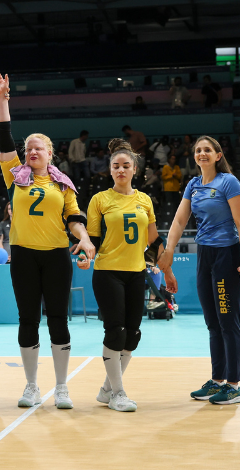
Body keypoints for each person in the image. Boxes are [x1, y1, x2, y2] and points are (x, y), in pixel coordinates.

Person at [0, 76, 96, 411]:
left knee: (57, 320)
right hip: (23, 256)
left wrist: (84, 239)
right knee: (27, 319)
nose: (31, 151)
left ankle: (62, 387)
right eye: (29, 148)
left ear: (50, 154)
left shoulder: (63, 185)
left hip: (55, 257)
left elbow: (74, 219)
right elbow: (4, 135)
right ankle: (31, 385)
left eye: (38, 147)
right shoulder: (14, 177)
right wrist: (2, 99)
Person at [160, 136, 240, 406]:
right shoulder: (193, 184)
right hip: (204, 254)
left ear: (217, 155)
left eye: (207, 150)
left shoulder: (229, 182)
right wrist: (169, 250)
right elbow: (179, 220)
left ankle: (234, 385)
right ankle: (218, 380)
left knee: (228, 321)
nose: (202, 154)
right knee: (212, 322)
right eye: (198, 150)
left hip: (227, 254)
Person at [79, 139, 162, 413]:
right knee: (115, 331)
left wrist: (166, 267)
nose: (121, 170)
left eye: (126, 165)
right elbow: (92, 239)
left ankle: (106, 389)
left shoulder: (145, 200)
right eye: (116, 166)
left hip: (136, 272)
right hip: (108, 272)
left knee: (133, 334)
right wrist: (85, 255)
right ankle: (118, 393)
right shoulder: (99, 200)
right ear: (110, 170)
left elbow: (153, 238)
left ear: (134, 169)